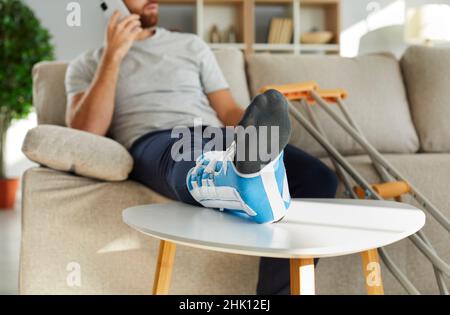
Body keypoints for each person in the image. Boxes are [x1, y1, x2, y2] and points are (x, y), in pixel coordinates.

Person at [65, 0, 338, 294]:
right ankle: (241, 181)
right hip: (155, 140)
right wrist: (113, 56)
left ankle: (248, 179)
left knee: (318, 177)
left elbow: (228, 109)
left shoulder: (191, 46)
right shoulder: (87, 64)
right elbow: (86, 131)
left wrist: (254, 131)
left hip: (214, 132)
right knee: (187, 157)